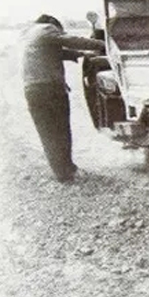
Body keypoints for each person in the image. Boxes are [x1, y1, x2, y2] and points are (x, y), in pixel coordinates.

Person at [20, 14, 105, 182]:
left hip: (34, 90)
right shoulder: (45, 28)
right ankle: (65, 174)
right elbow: (71, 40)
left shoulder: (30, 34)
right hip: (48, 89)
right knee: (61, 130)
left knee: (48, 133)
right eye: (60, 31)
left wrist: (81, 54)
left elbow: (58, 52)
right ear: (52, 24)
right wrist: (103, 44)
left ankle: (64, 170)